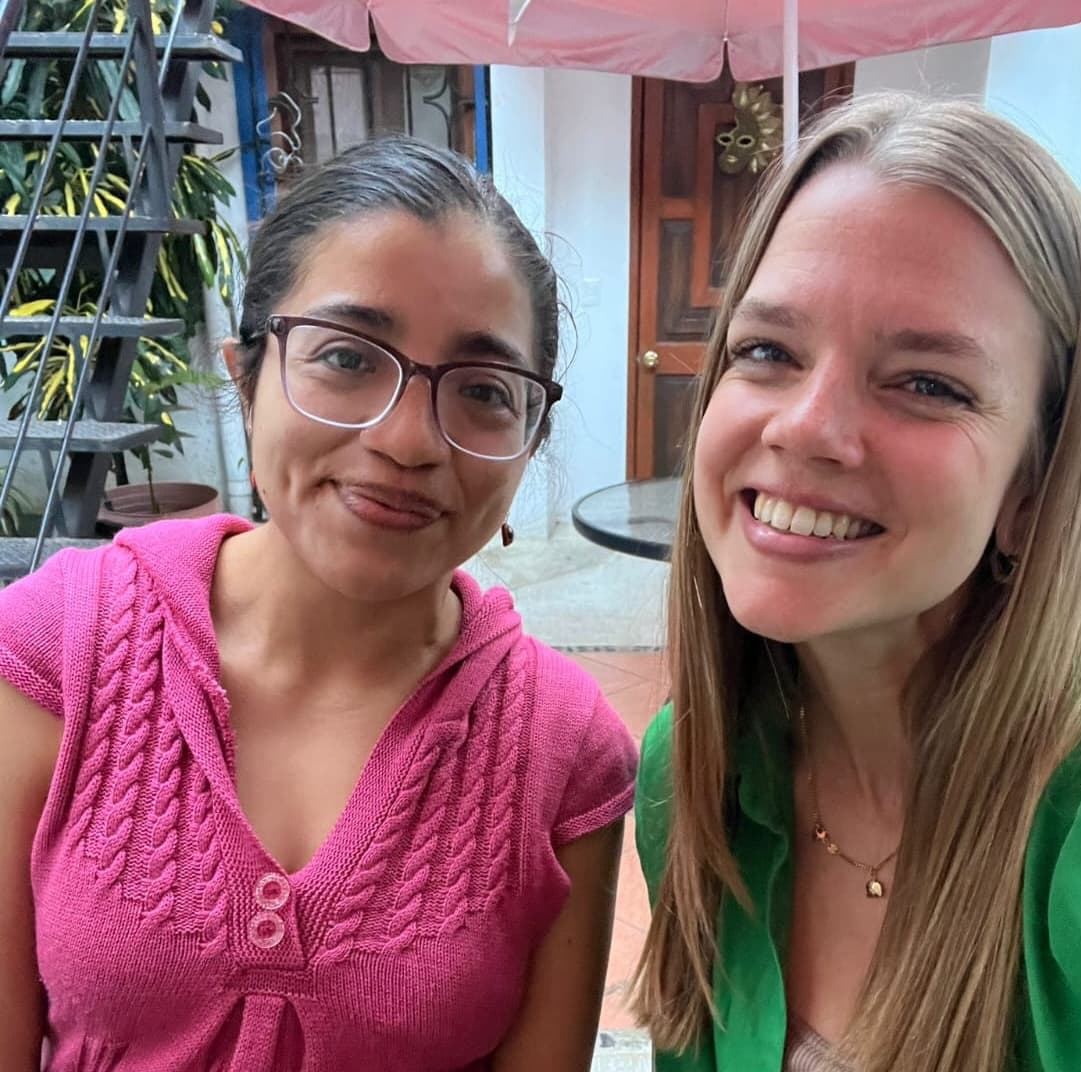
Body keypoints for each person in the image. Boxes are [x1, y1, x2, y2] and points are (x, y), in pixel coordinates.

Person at [0, 135, 637, 1071]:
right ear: (246, 373)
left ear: (530, 440)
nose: (411, 441)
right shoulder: (62, 646)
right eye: (347, 357)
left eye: (485, 391)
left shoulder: (562, 747)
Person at [632, 92, 1081, 1072]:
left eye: (927, 382)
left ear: (1033, 484)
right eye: (768, 349)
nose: (806, 428)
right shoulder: (695, 770)